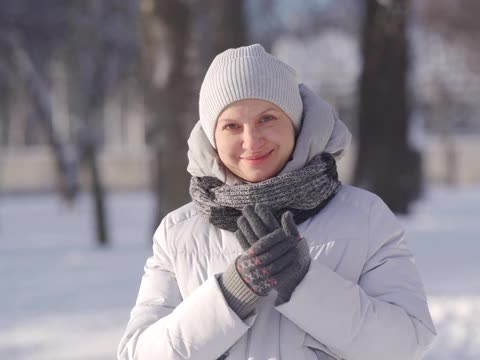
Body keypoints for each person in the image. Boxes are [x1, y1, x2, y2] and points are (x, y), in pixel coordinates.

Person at [118, 44, 436, 360]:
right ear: (212, 137)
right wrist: (231, 293)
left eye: (267, 118)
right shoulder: (178, 233)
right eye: (231, 126)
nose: (251, 140)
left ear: (296, 124)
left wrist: (303, 281)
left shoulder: (365, 218)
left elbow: (406, 345)